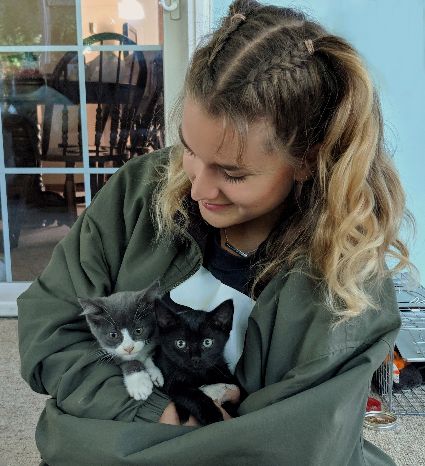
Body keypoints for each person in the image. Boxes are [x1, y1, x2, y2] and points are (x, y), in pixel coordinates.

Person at [18, 1, 414, 464]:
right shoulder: (138, 190)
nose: (199, 188)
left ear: (307, 159)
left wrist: (93, 423)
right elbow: (49, 329)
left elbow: (296, 446)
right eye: (188, 149)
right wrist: (155, 411)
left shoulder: (348, 278)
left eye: (233, 173)